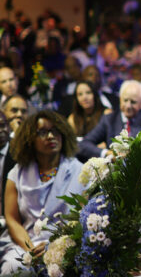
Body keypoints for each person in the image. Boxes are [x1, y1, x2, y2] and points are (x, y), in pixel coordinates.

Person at [0, 110, 86, 274]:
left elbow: (83, 220)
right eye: (43, 132)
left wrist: (56, 246)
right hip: (25, 244)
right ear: (30, 139)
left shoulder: (80, 172)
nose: (51, 136)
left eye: (55, 131)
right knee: (14, 268)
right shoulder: (16, 173)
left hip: (66, 244)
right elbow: (12, 220)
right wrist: (31, 250)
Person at [78, 80, 141, 176]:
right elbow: (83, 144)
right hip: (114, 176)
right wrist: (107, 153)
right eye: (125, 100)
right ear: (120, 99)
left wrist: (140, 152)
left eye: (133, 102)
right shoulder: (109, 120)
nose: (128, 106)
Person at [0, 112, 15, 215]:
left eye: (2, 125)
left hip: (10, 213)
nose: (0, 130)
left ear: (9, 127)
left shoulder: (18, 154)